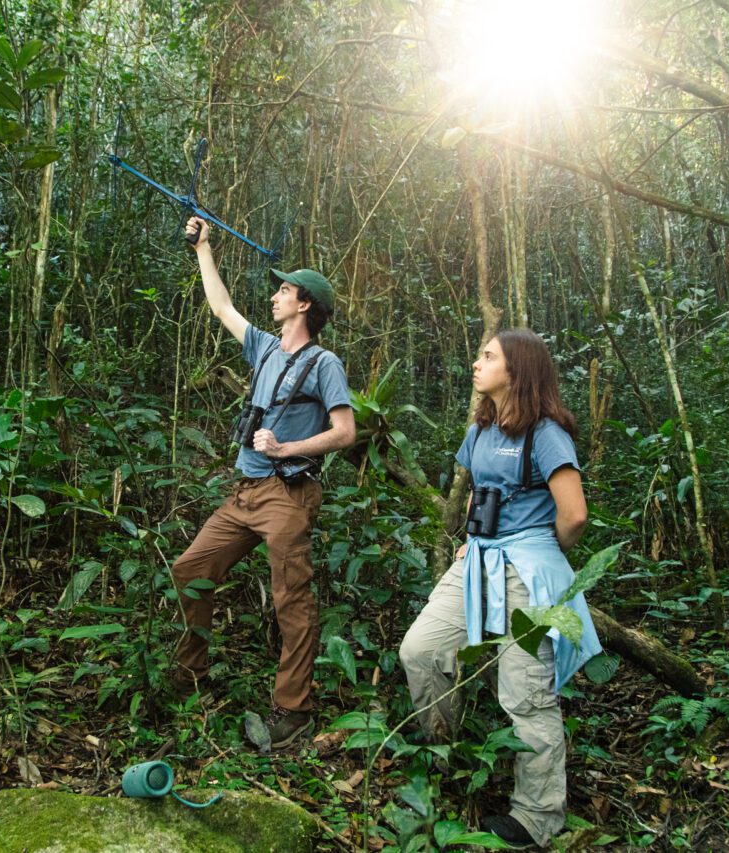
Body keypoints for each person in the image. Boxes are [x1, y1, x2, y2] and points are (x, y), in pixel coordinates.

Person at [399, 329, 602, 848]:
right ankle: (448, 753)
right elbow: (476, 494)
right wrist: (473, 536)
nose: (476, 362)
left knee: (526, 694)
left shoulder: (547, 432)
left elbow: (574, 515)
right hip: (478, 558)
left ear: (519, 369)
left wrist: (534, 546)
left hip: (526, 568)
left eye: (488, 356)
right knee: (420, 649)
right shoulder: (482, 428)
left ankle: (537, 816)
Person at [169, 215, 356, 748]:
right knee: (191, 569)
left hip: (287, 494)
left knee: (290, 601)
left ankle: (294, 711)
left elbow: (345, 432)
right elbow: (222, 307)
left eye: (284, 290)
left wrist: (286, 447)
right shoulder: (266, 348)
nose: (274, 295)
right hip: (244, 493)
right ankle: (191, 675)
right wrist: (203, 248)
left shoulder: (325, 364)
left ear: (305, 306)